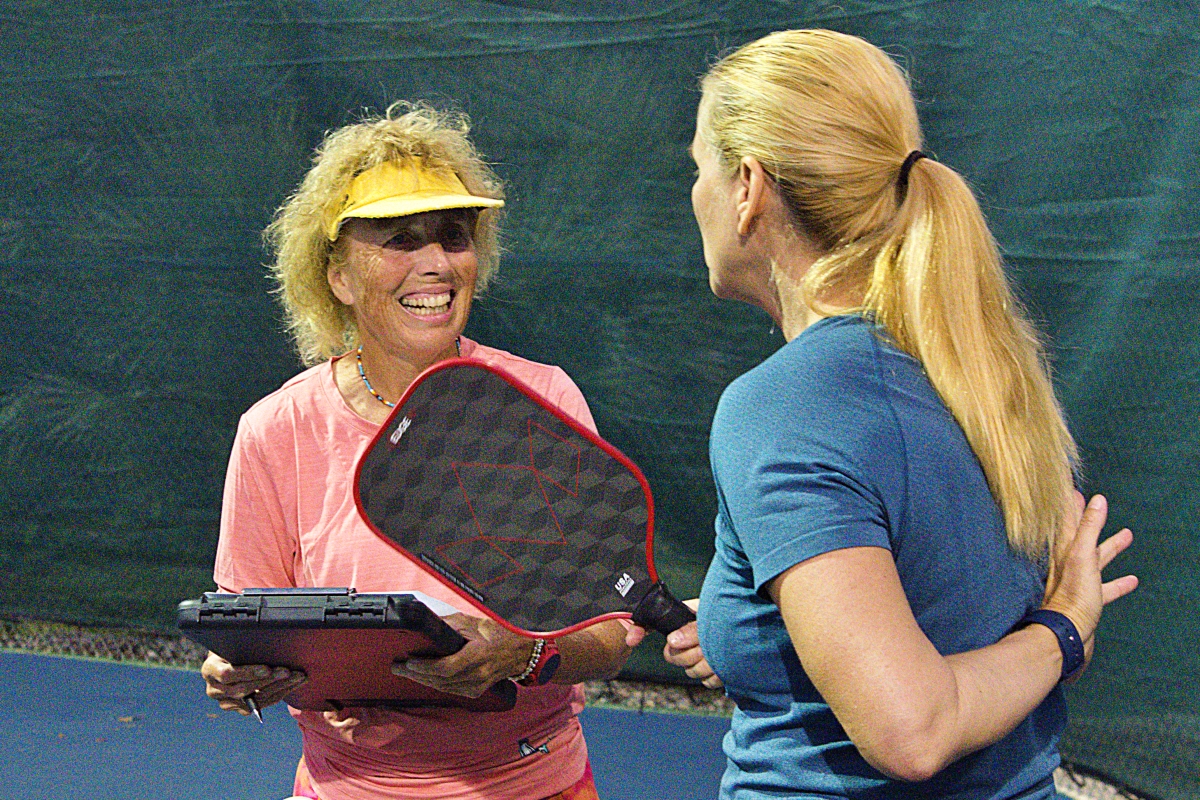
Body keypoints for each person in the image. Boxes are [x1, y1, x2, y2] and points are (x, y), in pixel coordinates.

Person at [628, 29, 1139, 799]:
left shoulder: (780, 407)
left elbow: (914, 730)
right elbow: (988, 627)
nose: (693, 194)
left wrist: (1063, 625)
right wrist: (754, 621)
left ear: (748, 189)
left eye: (699, 168)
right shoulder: (986, 362)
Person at [200, 101, 630, 800]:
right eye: (400, 240)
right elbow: (243, 629)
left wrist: (522, 654)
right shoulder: (274, 429)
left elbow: (608, 636)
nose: (436, 264)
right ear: (337, 276)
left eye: (453, 237)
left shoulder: (546, 398)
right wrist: (237, 671)